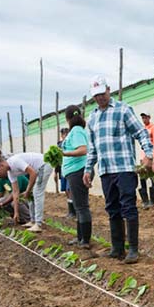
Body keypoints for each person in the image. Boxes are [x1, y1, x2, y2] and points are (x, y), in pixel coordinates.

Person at [83, 75, 154, 263]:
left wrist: (148, 153)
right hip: (106, 170)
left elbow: (141, 132)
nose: (100, 98)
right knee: (112, 208)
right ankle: (117, 248)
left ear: (108, 89)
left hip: (124, 168)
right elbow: (92, 148)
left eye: (102, 93)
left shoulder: (123, 110)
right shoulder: (93, 117)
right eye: (96, 95)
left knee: (128, 206)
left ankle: (133, 249)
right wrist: (88, 169)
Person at [0, 152, 53, 233]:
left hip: (43, 165)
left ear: (1, 165)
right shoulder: (10, 173)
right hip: (37, 170)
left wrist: (27, 190)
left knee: (37, 193)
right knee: (31, 194)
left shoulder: (14, 162)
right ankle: (33, 221)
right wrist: (16, 213)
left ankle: (38, 224)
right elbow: (15, 192)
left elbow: (32, 173)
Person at [61, 105, 93, 249]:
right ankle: (80, 237)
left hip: (78, 170)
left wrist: (64, 153)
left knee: (81, 206)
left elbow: (83, 149)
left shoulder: (77, 131)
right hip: (74, 171)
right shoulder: (76, 131)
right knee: (78, 205)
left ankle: (85, 240)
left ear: (68, 119)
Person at [138, 112, 154, 208]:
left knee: (152, 177)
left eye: (145, 117)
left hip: (150, 156)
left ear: (149, 118)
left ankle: (153, 200)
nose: (144, 120)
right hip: (143, 157)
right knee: (142, 178)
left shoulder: (153, 128)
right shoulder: (143, 129)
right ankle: (145, 200)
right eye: (142, 118)